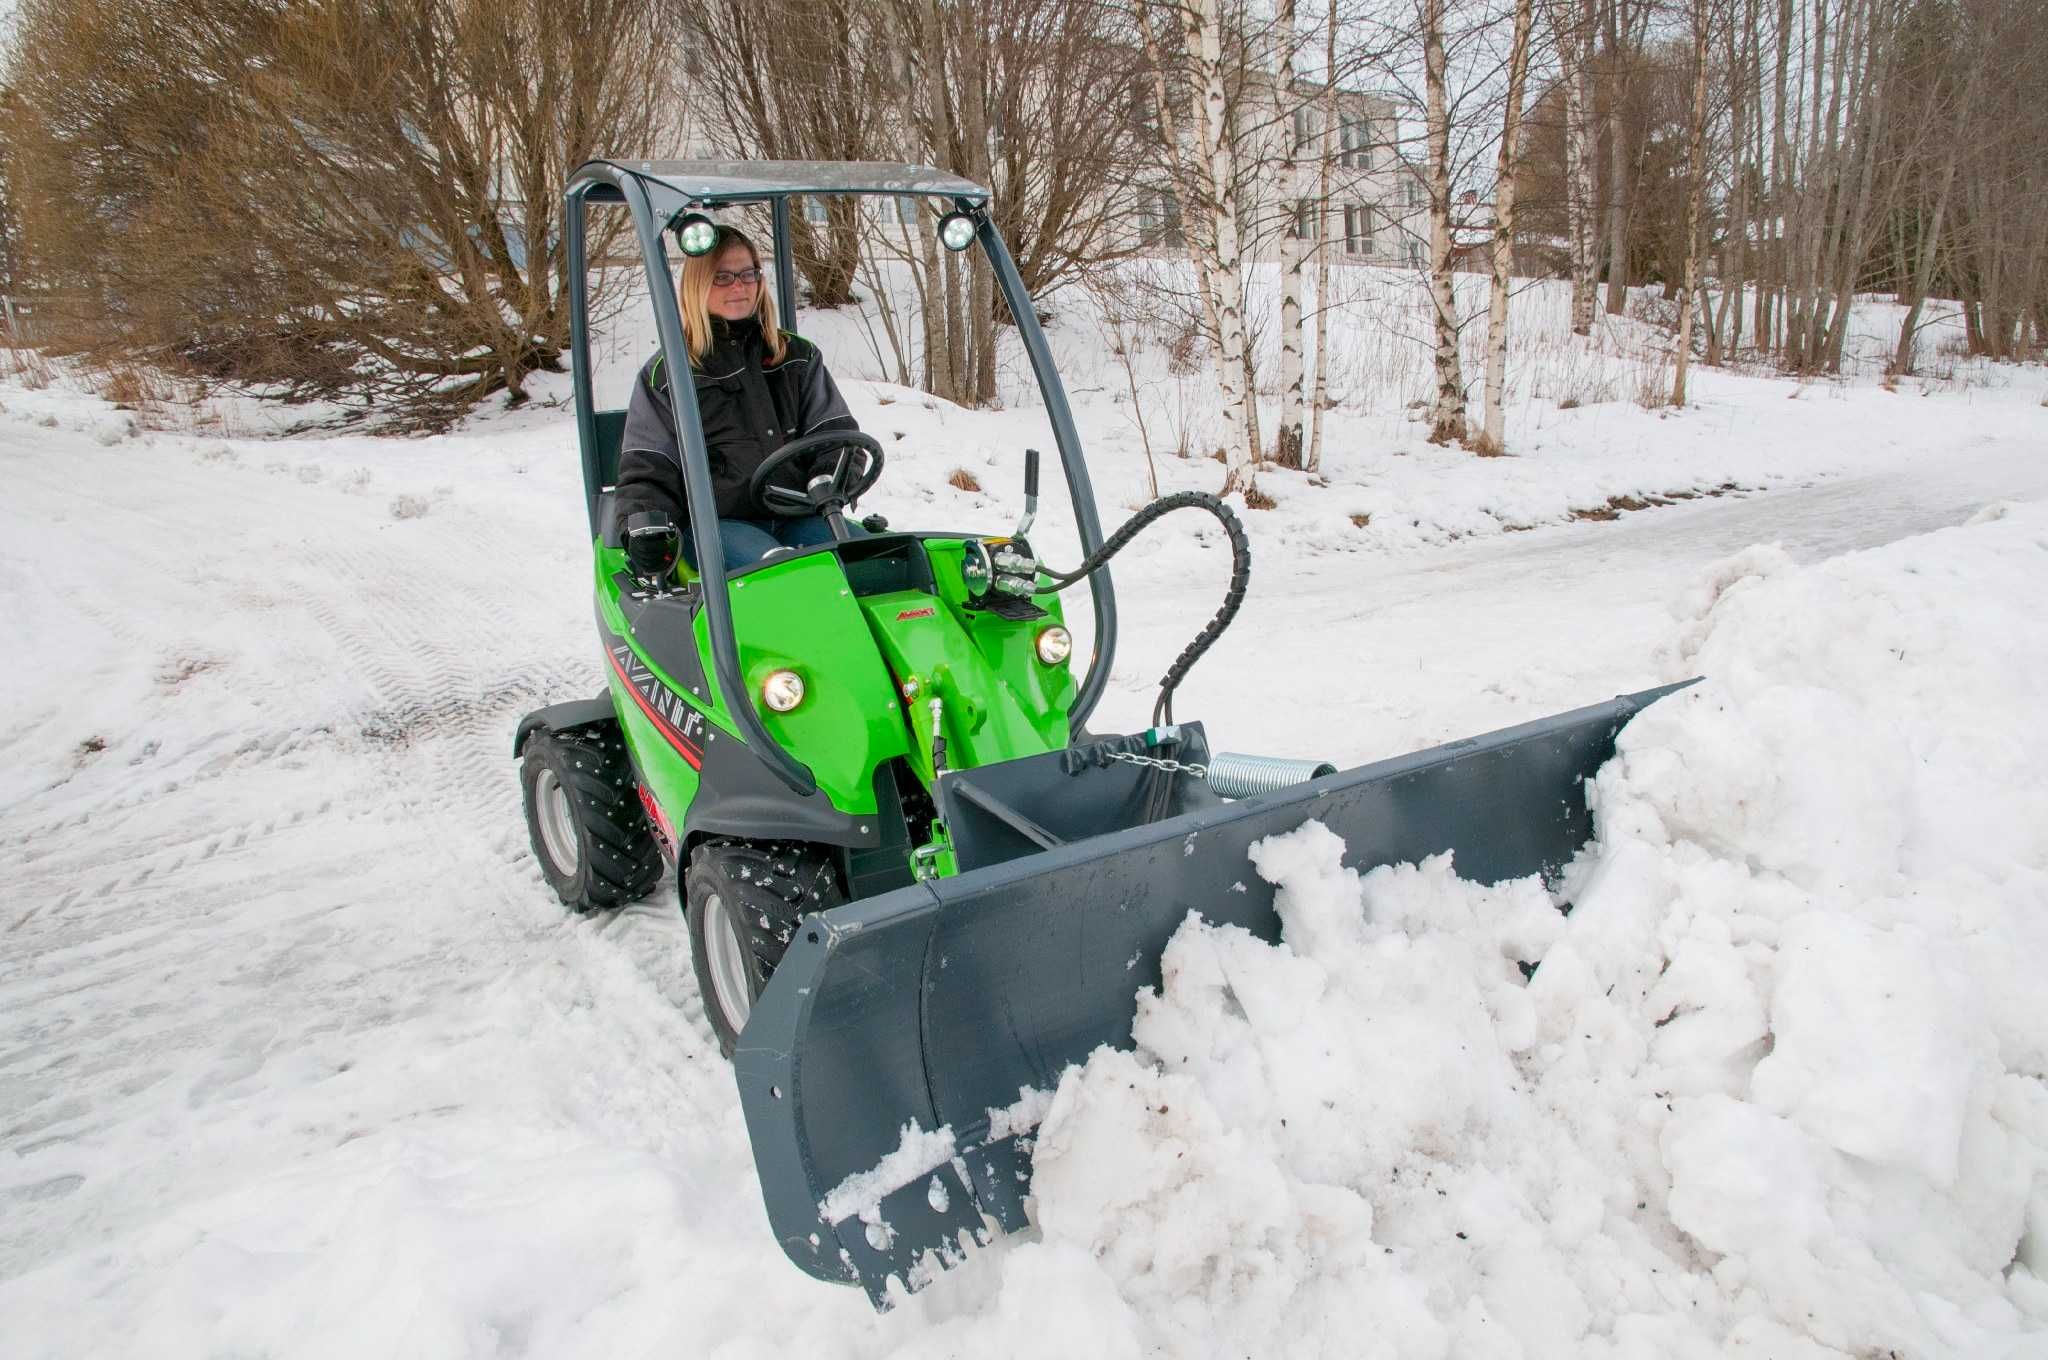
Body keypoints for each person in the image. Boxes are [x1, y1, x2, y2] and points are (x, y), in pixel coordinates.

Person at [615, 224, 867, 574]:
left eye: (748, 274)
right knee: (783, 574)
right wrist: (643, 522)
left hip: (800, 512)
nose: (739, 286)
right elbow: (649, 468)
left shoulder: (795, 356)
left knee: (873, 563)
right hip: (720, 524)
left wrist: (829, 480)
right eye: (723, 277)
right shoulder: (670, 373)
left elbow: (837, 436)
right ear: (698, 285)